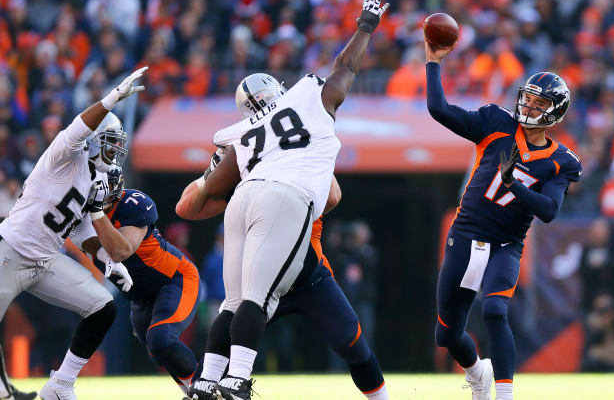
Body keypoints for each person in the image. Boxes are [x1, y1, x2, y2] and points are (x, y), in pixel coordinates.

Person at [180, 0, 389, 398]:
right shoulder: (308, 96)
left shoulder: (239, 136)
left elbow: (194, 201)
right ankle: (238, 380)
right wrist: (366, 23)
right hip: (284, 204)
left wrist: (211, 172)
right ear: (280, 90)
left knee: (233, 303)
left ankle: (207, 380)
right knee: (254, 301)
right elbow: (345, 68)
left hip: (244, 200)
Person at [426, 41, 582, 400]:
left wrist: (513, 183)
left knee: (496, 309)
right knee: (447, 335)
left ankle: (506, 395)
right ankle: (478, 371)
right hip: (465, 234)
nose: (528, 106)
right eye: (527, 98)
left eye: (538, 103)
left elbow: (548, 210)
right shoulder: (496, 123)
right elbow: (439, 108)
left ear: (554, 112)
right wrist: (433, 63)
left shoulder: (561, 161)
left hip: (506, 244)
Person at [0, 67, 146, 400]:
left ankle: (61, 384)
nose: (116, 152)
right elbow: (78, 127)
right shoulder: (64, 156)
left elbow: (78, 230)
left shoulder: (97, 179)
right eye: (111, 144)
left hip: (45, 260)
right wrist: (110, 100)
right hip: (10, 250)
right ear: (94, 142)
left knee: (103, 307)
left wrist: (106, 260)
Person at [177, 172, 388, 399]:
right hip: (262, 284)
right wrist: (212, 173)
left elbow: (333, 195)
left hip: (309, 278)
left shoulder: (306, 153)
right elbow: (186, 207)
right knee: (225, 345)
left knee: (352, 341)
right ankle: (203, 388)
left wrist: (298, 205)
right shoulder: (246, 159)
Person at [83, 166, 200, 393]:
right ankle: (193, 391)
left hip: (174, 279)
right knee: (157, 351)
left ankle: (205, 388)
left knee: (161, 339)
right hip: (141, 296)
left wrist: (96, 214)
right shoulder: (81, 212)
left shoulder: (133, 204)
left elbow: (121, 251)